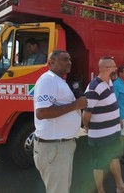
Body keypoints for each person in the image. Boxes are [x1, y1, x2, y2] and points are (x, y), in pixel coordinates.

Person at [33, 50, 87, 193]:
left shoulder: (58, 80)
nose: (69, 62)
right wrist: (76, 105)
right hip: (55, 147)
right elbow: (42, 112)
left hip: (60, 146)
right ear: (51, 63)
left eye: (69, 59)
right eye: (64, 59)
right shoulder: (48, 79)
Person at [83, 56, 124, 193]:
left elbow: (112, 104)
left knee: (115, 158)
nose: (115, 68)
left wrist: (117, 119)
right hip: (100, 134)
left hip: (113, 132)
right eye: (114, 66)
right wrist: (87, 126)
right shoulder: (94, 87)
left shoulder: (110, 83)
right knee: (100, 164)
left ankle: (120, 187)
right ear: (107, 68)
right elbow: (86, 114)